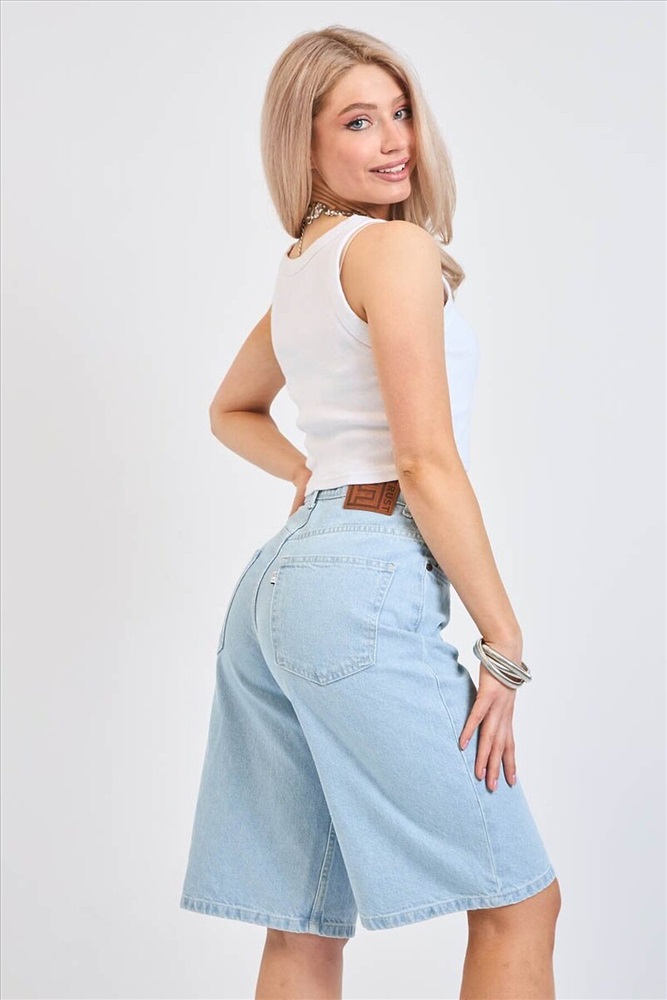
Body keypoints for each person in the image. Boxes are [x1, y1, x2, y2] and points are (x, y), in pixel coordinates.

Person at [180, 24, 562, 1000]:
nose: (393, 140)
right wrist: (503, 640)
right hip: (357, 582)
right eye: (357, 121)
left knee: (303, 924)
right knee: (518, 901)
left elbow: (230, 410)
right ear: (303, 144)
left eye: (399, 112)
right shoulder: (391, 249)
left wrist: (311, 475)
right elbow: (424, 461)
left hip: (278, 589)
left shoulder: (304, 266)